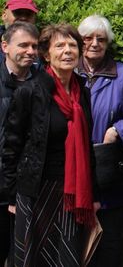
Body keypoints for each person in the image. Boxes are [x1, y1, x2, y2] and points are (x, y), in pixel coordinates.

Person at [3, 24, 97, 266]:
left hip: (72, 191)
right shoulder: (30, 91)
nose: (67, 51)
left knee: (67, 257)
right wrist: (11, 196)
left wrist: (94, 192)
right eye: (60, 46)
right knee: (33, 258)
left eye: (73, 46)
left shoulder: (82, 92)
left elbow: (87, 145)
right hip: (36, 190)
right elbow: (12, 147)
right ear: (46, 54)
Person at [77, 14, 123, 267]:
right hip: (75, 173)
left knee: (110, 248)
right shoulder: (69, 70)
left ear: (108, 42)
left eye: (101, 38)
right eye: (88, 38)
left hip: (109, 173)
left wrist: (119, 130)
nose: (94, 43)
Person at [0, 22, 39, 266]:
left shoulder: (44, 83)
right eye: (23, 45)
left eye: (34, 46)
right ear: (5, 46)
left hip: (30, 190)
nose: (30, 51)